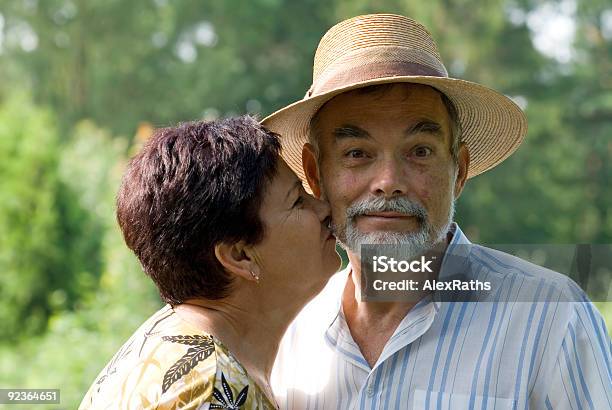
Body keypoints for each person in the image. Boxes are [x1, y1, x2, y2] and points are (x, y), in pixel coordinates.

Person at [264, 14, 611, 409]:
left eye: (420, 151)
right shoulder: (288, 330)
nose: (388, 181)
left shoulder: (551, 319)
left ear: (458, 170)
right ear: (314, 173)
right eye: (357, 154)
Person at [79, 116, 340, 409]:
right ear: (238, 255)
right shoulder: (208, 389)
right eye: (297, 201)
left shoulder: (170, 344)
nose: (325, 207)